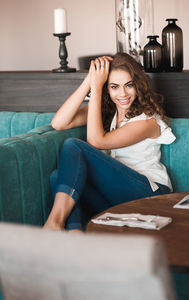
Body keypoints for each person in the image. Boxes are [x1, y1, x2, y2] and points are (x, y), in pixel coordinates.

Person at [44, 52, 176, 232]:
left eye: (129, 85)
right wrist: (89, 80)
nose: (123, 93)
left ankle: (54, 223)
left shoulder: (148, 120)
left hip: (150, 195)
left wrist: (97, 88)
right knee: (58, 176)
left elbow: (96, 141)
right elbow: (59, 123)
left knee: (73, 146)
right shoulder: (108, 110)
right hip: (120, 196)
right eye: (114, 87)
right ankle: (75, 233)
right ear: (108, 88)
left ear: (138, 85)